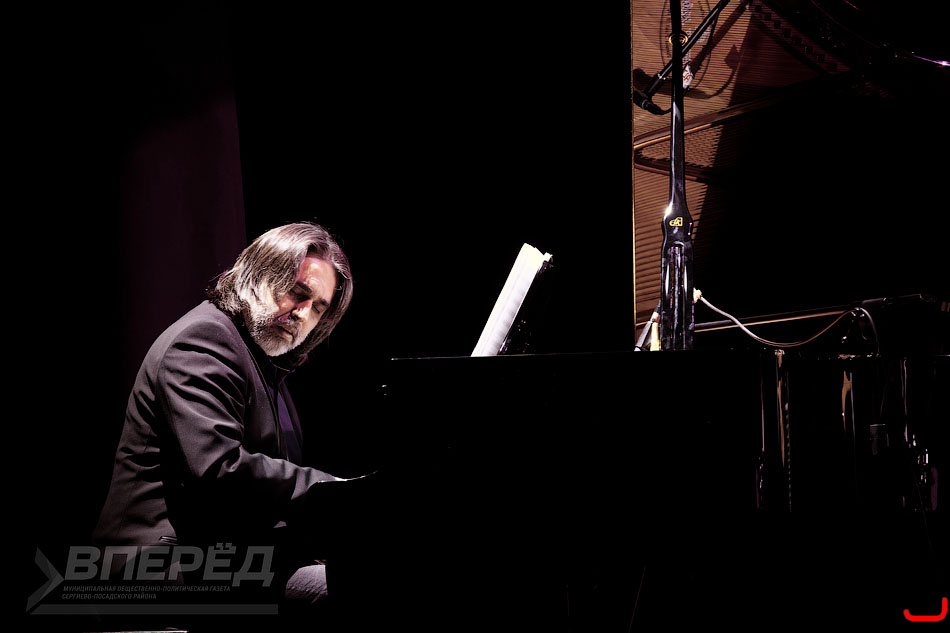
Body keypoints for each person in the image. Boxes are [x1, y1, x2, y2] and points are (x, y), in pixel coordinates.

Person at [93, 221, 355, 627]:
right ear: (259, 274)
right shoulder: (204, 339)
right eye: (297, 292)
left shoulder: (265, 361)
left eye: (318, 307)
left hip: (221, 559)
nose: (303, 314)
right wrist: (334, 491)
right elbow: (219, 468)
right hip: (155, 565)